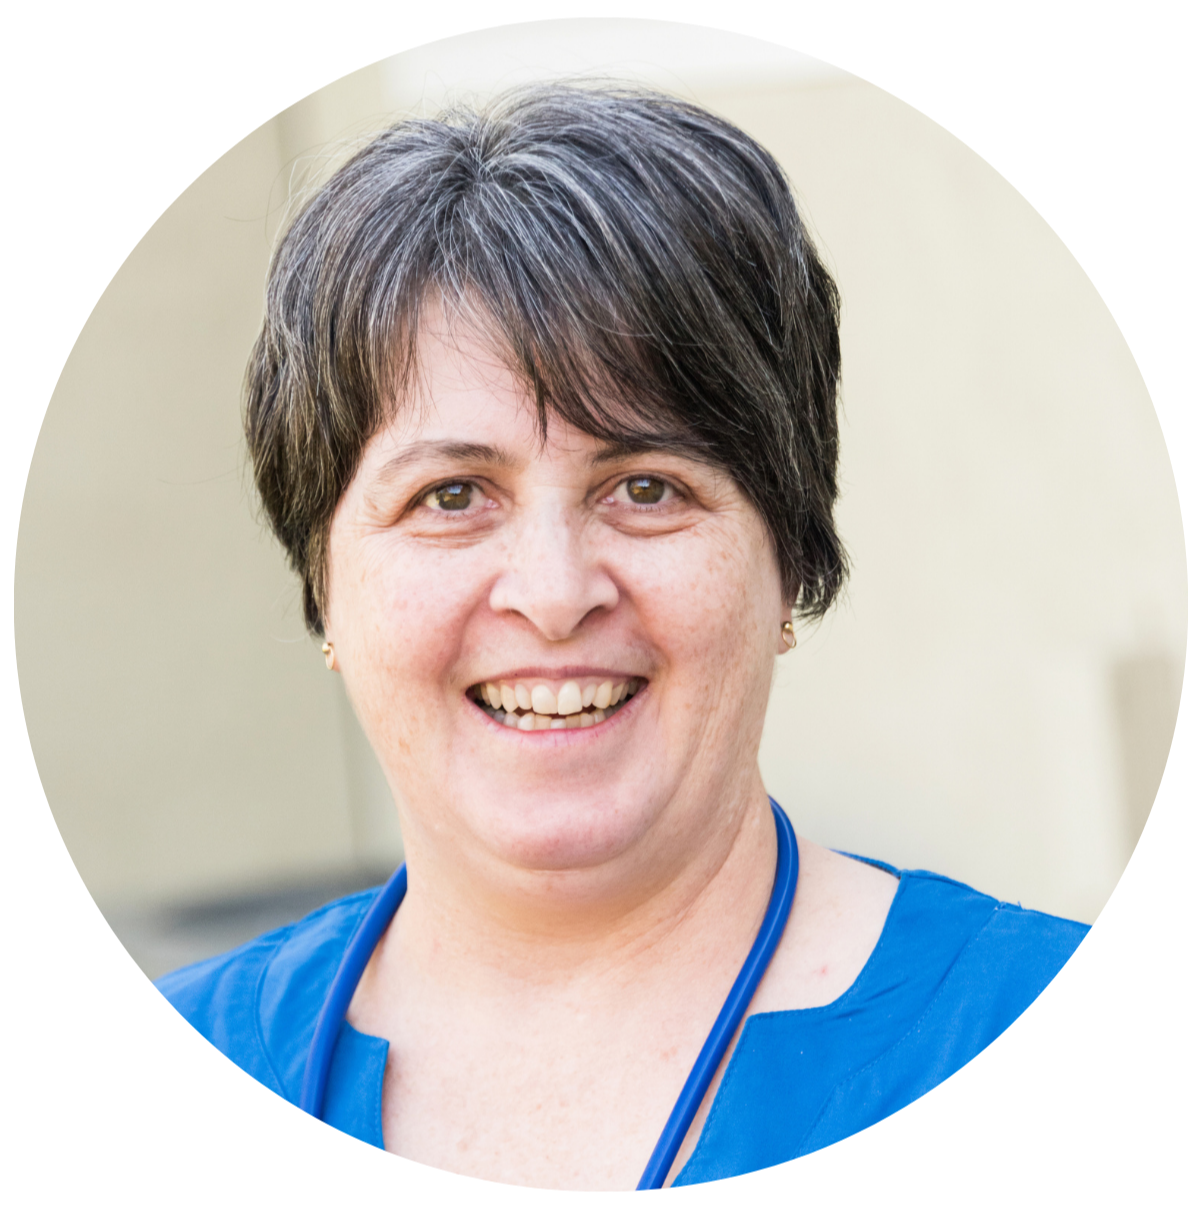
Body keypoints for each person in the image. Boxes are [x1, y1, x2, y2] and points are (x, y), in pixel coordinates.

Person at [157, 83, 1088, 1191]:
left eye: (646, 487)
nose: (553, 596)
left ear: (788, 556)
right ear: (324, 585)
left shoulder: (1071, 1054)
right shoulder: (153, 1085)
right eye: (450, 496)